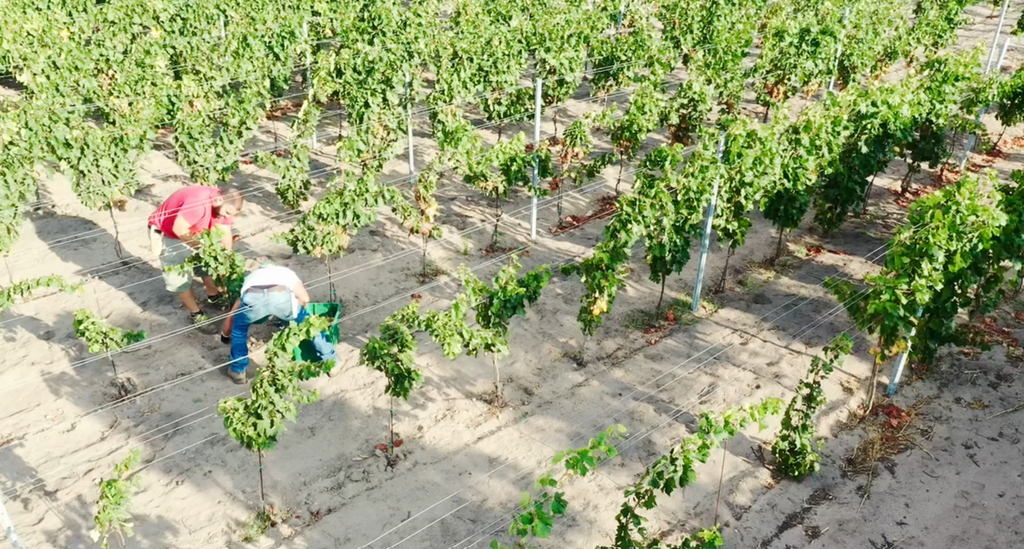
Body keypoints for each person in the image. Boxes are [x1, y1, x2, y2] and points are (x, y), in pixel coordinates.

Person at [219, 263, 337, 384]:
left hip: (252, 297)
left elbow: (235, 311)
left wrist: (226, 334)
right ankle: (331, 362)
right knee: (310, 324)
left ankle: (238, 371)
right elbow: (305, 299)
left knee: (239, 330)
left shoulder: (251, 277)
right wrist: (298, 314)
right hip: (279, 296)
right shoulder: (287, 273)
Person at [148, 185, 244, 327]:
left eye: (230, 214)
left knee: (206, 264)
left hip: (195, 229)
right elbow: (179, 229)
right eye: (226, 212)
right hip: (170, 233)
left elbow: (225, 231)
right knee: (179, 276)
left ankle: (213, 296)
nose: (227, 217)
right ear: (218, 200)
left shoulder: (224, 207)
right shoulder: (198, 203)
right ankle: (196, 313)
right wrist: (202, 248)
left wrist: (225, 257)